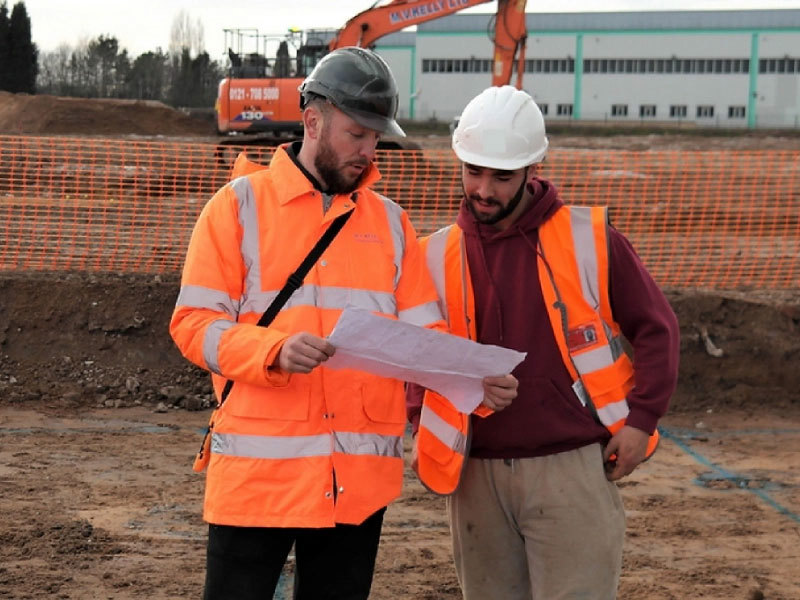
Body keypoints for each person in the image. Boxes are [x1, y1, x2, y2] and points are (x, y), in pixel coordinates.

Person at [169, 48, 516, 600]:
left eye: (376, 137)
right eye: (357, 133)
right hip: (260, 481)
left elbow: (427, 344)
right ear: (313, 120)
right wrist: (272, 350)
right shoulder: (237, 208)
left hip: (354, 486)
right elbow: (192, 324)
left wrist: (477, 383)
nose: (369, 150)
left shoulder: (393, 225)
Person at [407, 85, 680, 600]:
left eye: (501, 176)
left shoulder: (589, 240)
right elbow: (418, 359)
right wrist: (436, 408)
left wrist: (642, 423)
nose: (483, 189)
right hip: (476, 474)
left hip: (572, 468)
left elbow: (657, 329)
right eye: (472, 171)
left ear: (534, 169)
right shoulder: (434, 255)